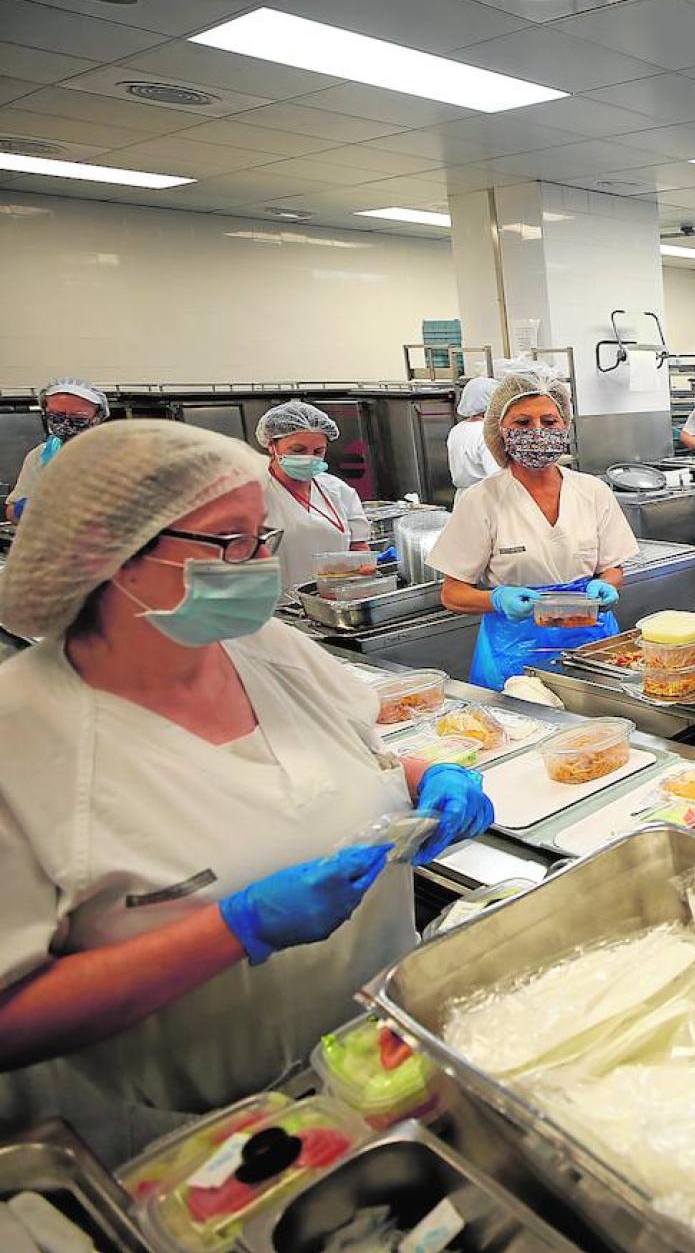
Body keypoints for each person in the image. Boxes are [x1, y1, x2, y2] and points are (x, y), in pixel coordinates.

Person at [0, 420, 494, 1163]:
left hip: (388, 1063)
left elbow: (354, 752)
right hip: (203, 1135)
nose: (258, 566)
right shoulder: (25, 738)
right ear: (109, 552)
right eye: (229, 544)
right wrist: (235, 929)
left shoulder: (267, 647)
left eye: (262, 539)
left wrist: (434, 777)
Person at [428, 371, 637, 689]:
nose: (538, 433)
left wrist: (606, 586)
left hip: (592, 648)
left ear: (565, 425)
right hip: (516, 655)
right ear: (501, 429)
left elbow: (612, 568)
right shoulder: (482, 500)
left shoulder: (592, 491)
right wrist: (497, 600)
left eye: (550, 422)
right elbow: (452, 594)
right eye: (523, 423)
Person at [255, 400, 372, 591]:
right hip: (275, 608)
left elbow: (358, 548)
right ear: (271, 445)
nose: (309, 457)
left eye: (318, 452)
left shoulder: (338, 491)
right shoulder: (250, 493)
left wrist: (361, 569)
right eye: (298, 450)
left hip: (332, 603)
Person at [8, 378, 108, 521]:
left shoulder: (122, 453)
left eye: (78, 419)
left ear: (97, 418)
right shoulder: (41, 455)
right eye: (57, 417)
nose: (65, 425)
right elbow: (11, 513)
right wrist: (25, 508)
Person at [447, 376, 500, 495]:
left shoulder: (457, 429)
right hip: (485, 498)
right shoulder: (486, 432)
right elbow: (496, 476)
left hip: (463, 496)